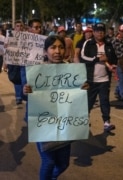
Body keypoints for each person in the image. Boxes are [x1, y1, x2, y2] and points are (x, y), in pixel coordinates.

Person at [23, 35, 89, 180]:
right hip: (44, 123)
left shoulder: (71, 70)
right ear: (46, 51)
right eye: (53, 47)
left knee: (63, 164)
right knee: (49, 161)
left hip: (64, 125)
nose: (57, 51)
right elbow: (32, 96)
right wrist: (26, 91)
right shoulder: (38, 71)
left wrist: (82, 88)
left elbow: (75, 96)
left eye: (60, 47)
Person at [81, 23, 117, 132]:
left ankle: (106, 122)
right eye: (97, 31)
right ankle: (84, 120)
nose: (100, 33)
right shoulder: (88, 43)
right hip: (91, 79)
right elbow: (82, 57)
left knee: (104, 101)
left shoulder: (109, 44)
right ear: (94, 32)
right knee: (89, 101)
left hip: (104, 80)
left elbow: (114, 59)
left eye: (102, 31)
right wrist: (97, 59)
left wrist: (112, 63)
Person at [5, 20, 24, 105]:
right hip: (13, 61)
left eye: (20, 26)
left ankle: (19, 97)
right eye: (17, 26)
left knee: (22, 79)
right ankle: (19, 96)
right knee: (14, 78)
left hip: (23, 61)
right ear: (15, 27)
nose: (19, 27)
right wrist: (5, 63)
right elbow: (6, 49)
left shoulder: (26, 36)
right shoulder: (10, 36)